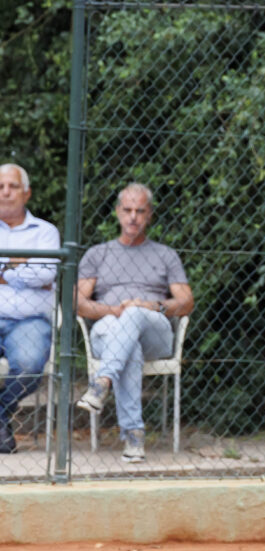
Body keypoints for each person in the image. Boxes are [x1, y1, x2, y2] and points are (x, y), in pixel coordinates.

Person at [76, 182, 194, 462]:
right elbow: (78, 303)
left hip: (154, 328)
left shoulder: (165, 255)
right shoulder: (98, 254)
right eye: (127, 210)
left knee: (134, 314)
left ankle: (102, 382)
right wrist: (114, 311)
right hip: (108, 328)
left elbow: (186, 301)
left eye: (139, 211)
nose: (133, 217)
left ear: (149, 214)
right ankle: (134, 437)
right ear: (117, 212)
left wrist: (149, 305)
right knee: (130, 346)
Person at [0, 163, 61, 454]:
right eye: (0, 187)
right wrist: (21, 263)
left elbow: (45, 275)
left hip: (30, 321)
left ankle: (0, 411)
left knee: (28, 367)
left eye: (12, 186)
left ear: (27, 193)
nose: (5, 192)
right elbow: (35, 276)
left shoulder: (45, 233)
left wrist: (4, 271)